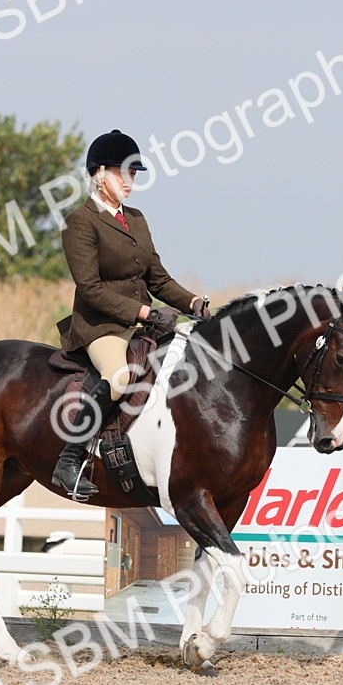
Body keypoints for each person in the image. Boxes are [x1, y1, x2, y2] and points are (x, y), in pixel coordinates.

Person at [51, 129, 206, 499]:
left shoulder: (136, 219)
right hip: (100, 326)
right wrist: (141, 311)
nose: (129, 182)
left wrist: (192, 304)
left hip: (141, 322)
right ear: (99, 173)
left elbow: (158, 278)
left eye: (134, 174)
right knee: (119, 377)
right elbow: (89, 287)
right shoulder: (80, 222)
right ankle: (69, 461)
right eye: (122, 173)